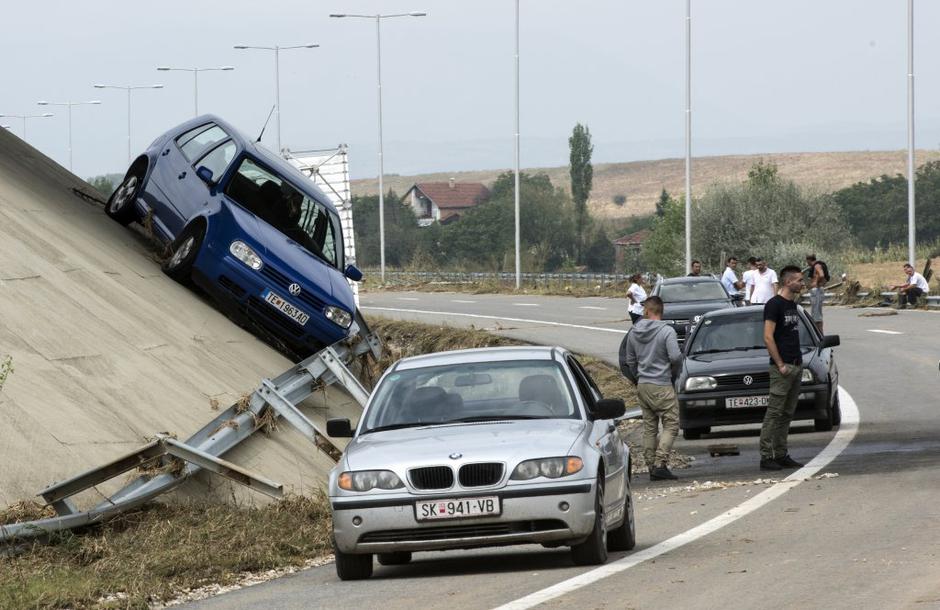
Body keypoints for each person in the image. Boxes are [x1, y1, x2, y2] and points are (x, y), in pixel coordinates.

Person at [621, 296, 683, 481]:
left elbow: (630, 360)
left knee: (650, 427)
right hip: (662, 384)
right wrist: (672, 373)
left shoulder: (633, 332)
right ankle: (660, 463)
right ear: (660, 311)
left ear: (647, 311)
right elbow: (675, 357)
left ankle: (650, 465)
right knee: (671, 423)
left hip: (643, 385)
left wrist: (638, 377)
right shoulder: (667, 332)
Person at [759, 265, 806, 471]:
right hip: (783, 367)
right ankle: (766, 456)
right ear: (788, 282)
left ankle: (781, 452)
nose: (802, 284)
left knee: (787, 413)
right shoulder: (774, 305)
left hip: (796, 365)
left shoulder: (792, 305)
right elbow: (768, 337)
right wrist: (780, 364)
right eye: (799, 280)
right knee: (774, 412)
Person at [805, 254, 827, 333]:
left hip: (816, 291)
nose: (807, 263)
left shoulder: (817, 265)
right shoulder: (816, 266)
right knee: (815, 315)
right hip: (816, 291)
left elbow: (821, 275)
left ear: (809, 260)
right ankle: (818, 334)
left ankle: (820, 335)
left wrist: (817, 283)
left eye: (807, 261)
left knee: (817, 316)